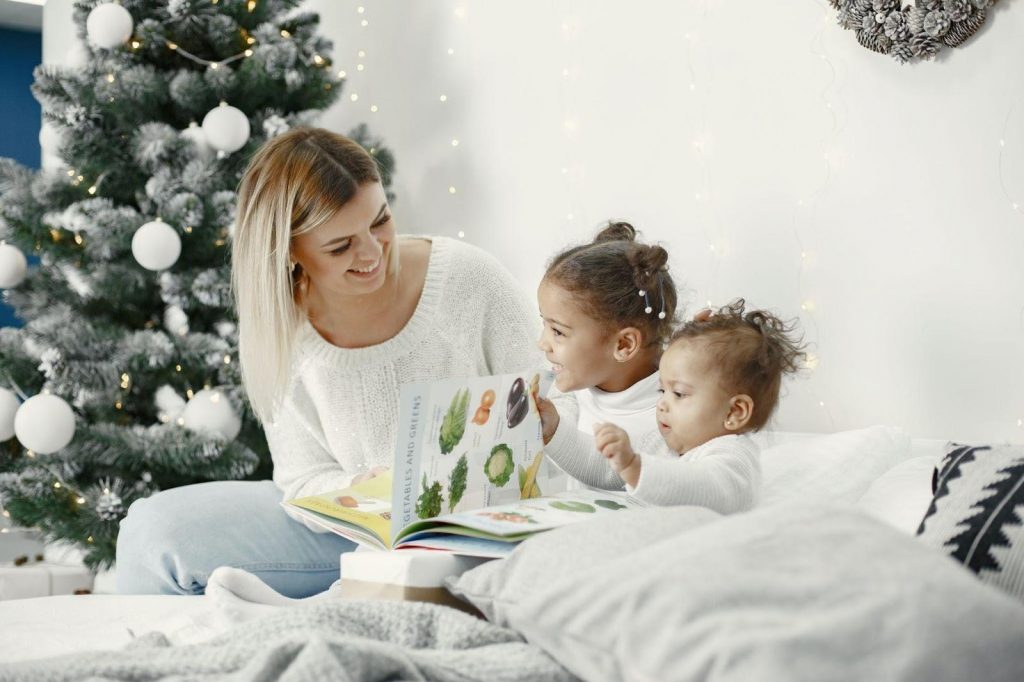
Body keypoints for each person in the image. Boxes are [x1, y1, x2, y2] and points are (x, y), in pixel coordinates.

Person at [116, 128, 540, 596]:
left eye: (380, 221)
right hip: (352, 530)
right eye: (340, 246)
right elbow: (302, 480)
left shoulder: (467, 278)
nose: (373, 252)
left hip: (476, 526)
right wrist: (365, 489)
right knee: (150, 532)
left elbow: (558, 403)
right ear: (290, 252)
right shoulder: (283, 326)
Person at [595, 299, 805, 512]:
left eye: (678, 393)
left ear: (734, 412)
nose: (661, 405)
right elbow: (606, 471)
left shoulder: (734, 459)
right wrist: (612, 451)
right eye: (662, 391)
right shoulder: (660, 444)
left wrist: (634, 466)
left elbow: (703, 487)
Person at [535, 221, 680, 492]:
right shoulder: (574, 391)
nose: (542, 343)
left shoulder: (671, 417)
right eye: (544, 323)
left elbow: (614, 475)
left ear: (624, 345)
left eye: (557, 331)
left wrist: (555, 433)